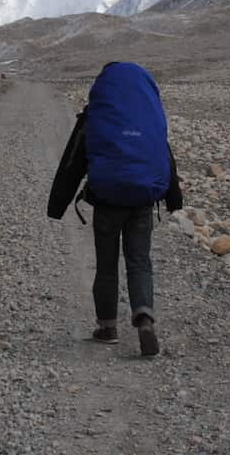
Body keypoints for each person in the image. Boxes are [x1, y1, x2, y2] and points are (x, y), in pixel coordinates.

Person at [47, 62, 182, 357]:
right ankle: (144, 320)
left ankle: (108, 328)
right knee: (139, 261)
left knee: (106, 265)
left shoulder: (97, 116)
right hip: (142, 201)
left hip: (107, 199)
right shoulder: (149, 116)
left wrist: (56, 205)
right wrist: (174, 199)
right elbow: (164, 156)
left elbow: (73, 161)